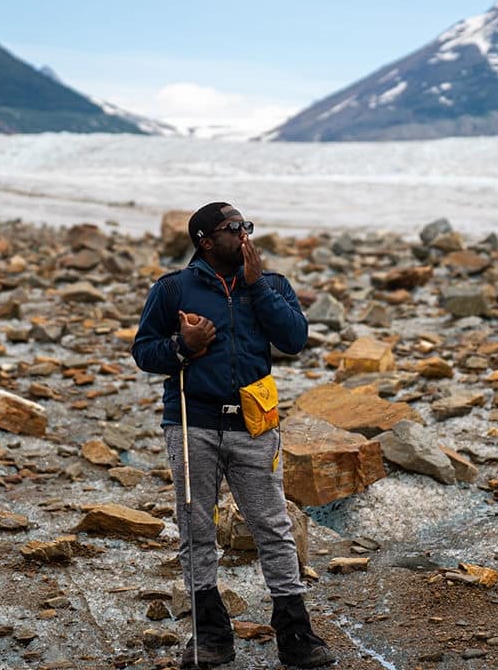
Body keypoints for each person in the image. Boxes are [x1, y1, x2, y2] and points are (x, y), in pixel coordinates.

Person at [132, 202, 336, 669]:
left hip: (254, 424)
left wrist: (257, 284)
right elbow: (144, 352)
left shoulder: (270, 285)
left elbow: (294, 339)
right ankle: (210, 637)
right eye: (232, 228)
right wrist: (184, 346)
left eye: (247, 225)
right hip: (192, 424)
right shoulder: (173, 289)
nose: (244, 234)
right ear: (205, 240)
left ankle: (296, 635)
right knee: (196, 529)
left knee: (273, 528)